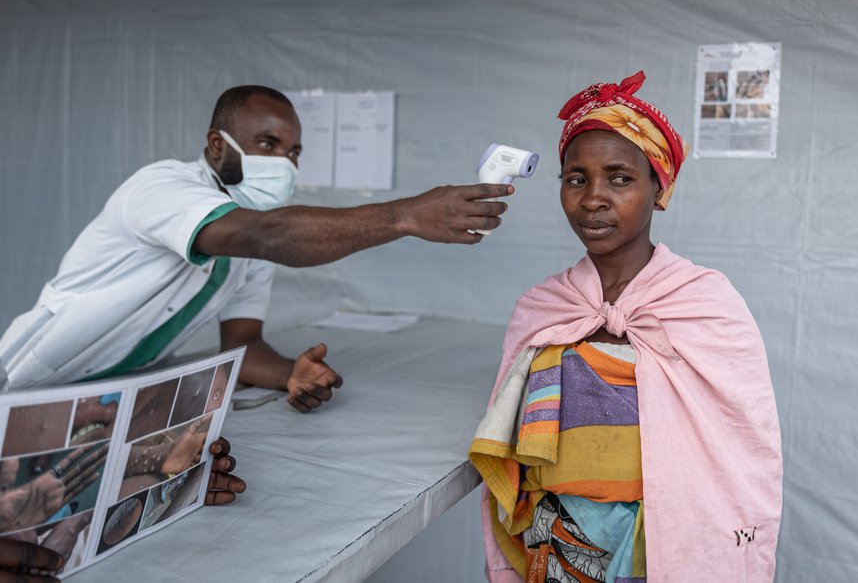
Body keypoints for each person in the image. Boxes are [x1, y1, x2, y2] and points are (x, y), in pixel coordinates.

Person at [0, 85, 512, 411]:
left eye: (293, 152)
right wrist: (404, 215)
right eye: (267, 145)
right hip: (25, 386)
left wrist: (290, 372)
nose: (285, 163)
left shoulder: (250, 243)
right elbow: (267, 234)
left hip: (107, 398)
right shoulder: (161, 188)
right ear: (218, 145)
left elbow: (241, 346)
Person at [469, 72, 782, 582]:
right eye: (576, 179)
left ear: (660, 187)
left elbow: (746, 446)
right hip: (559, 548)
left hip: (674, 542)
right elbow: (510, 443)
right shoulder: (545, 307)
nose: (593, 198)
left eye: (620, 178)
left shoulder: (705, 304)